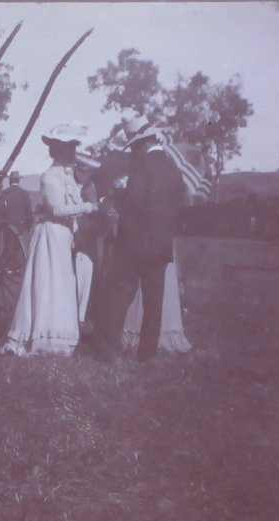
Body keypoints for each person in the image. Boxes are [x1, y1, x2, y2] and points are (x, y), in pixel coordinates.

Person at [0, 124, 99, 356]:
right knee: (49, 282)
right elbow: (56, 209)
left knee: (62, 283)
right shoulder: (49, 176)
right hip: (51, 234)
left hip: (63, 235)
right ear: (59, 151)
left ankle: (62, 336)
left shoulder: (69, 177)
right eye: (69, 148)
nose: (73, 153)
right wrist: (88, 207)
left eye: (74, 148)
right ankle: (44, 334)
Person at [91, 116, 187, 361]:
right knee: (154, 304)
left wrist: (122, 193)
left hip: (134, 247)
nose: (133, 151)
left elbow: (133, 208)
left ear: (142, 144)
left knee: (119, 296)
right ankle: (147, 354)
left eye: (134, 146)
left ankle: (108, 350)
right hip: (161, 246)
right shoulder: (174, 170)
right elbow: (178, 209)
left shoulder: (141, 167)